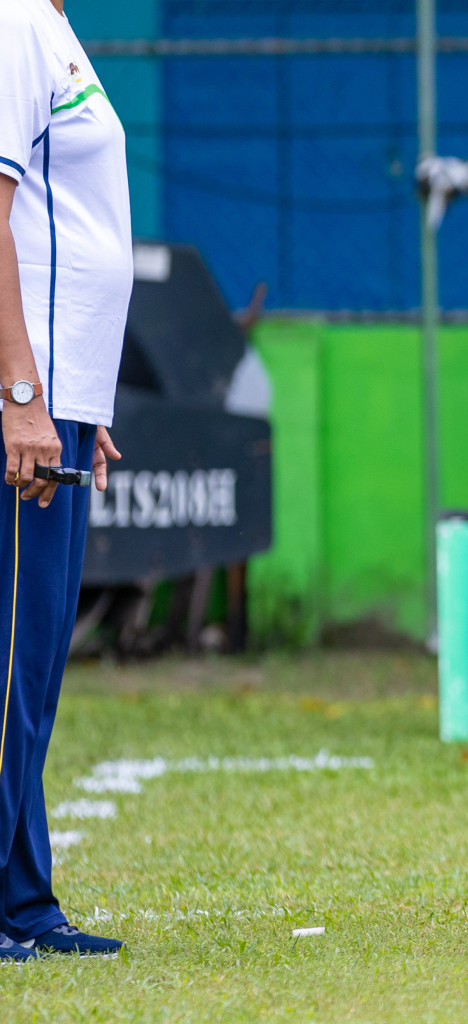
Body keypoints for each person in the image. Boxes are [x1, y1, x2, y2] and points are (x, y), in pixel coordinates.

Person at [0, 0, 129, 962]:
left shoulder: (49, 20)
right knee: (10, 666)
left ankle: (25, 903)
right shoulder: (10, 20)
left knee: (32, 665)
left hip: (60, 396)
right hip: (23, 401)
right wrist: (21, 397)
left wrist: (80, 395)